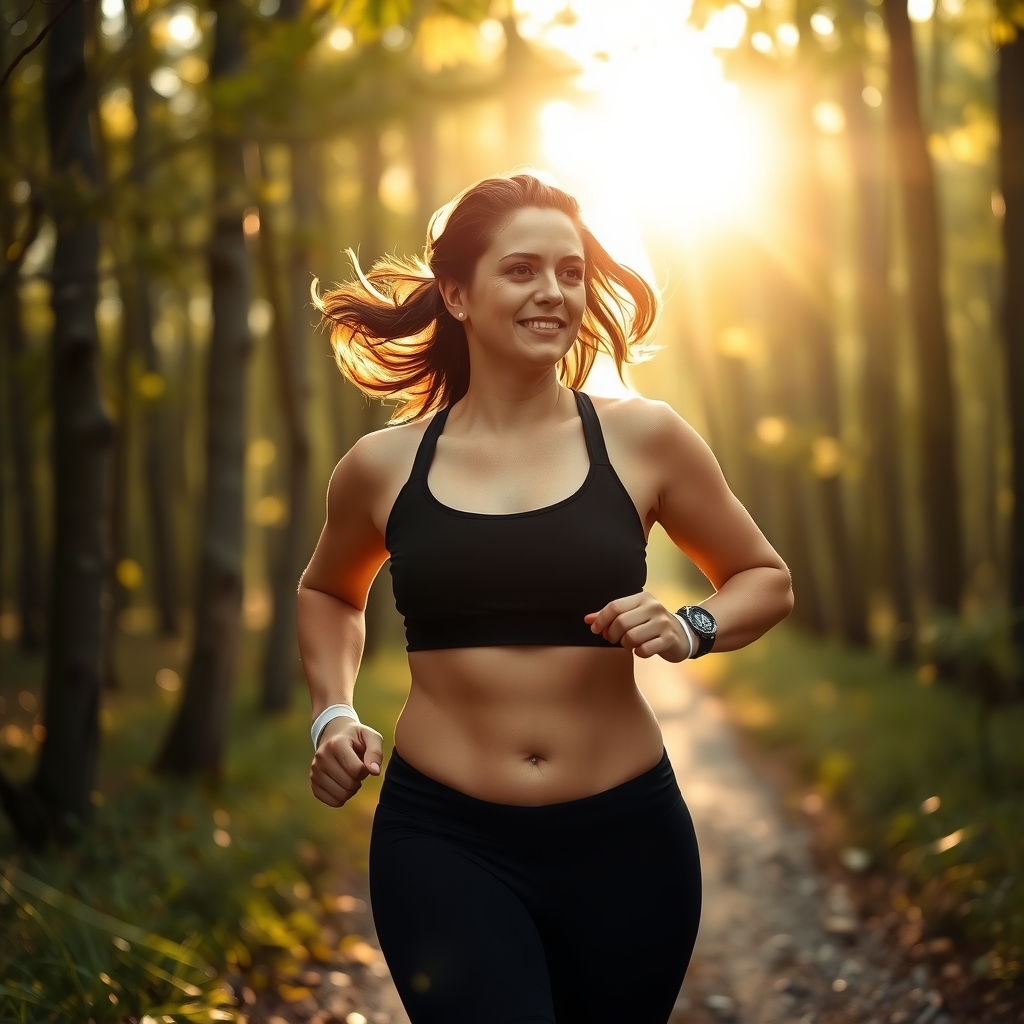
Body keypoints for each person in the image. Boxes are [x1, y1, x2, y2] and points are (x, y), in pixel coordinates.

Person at [298, 173, 794, 1024]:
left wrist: (692, 625)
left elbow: (764, 577)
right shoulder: (384, 465)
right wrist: (331, 714)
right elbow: (329, 592)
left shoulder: (646, 438)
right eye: (522, 269)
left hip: (629, 841)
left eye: (571, 271)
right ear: (456, 292)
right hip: (442, 839)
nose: (554, 292)